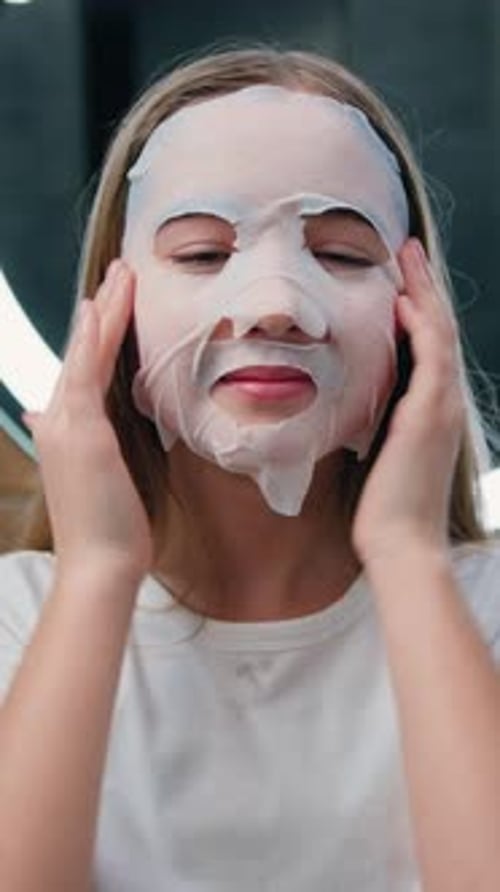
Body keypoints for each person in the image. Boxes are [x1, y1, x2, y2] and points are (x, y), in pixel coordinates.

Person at [0, 46, 499, 892]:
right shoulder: (18, 623)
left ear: (416, 316)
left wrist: (409, 554)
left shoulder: (483, 612)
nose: (276, 304)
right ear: (110, 316)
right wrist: (98, 574)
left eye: (342, 255)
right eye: (201, 254)